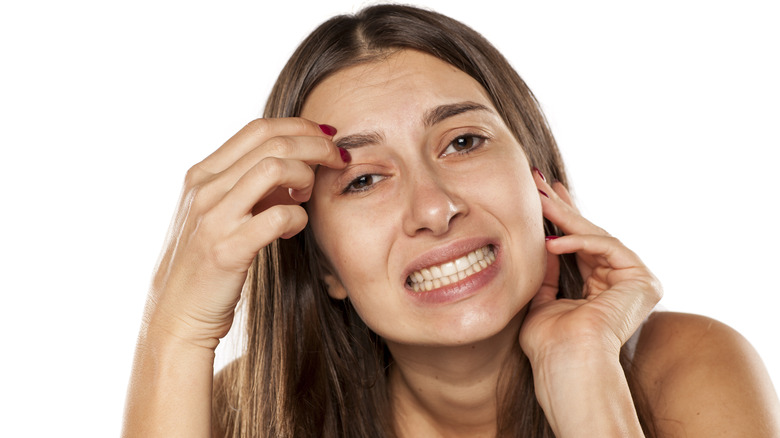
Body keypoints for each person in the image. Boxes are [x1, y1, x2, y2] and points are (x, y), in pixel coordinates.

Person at [122, 4, 780, 437]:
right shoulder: (247, 413)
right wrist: (176, 329)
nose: (434, 208)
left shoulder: (685, 369)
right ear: (326, 268)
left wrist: (582, 374)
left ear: (543, 181)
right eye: (364, 179)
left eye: (463, 142)